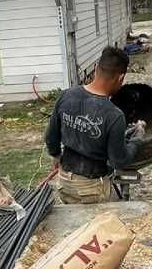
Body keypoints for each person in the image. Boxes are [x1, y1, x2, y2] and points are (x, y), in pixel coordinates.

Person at [44, 46, 146, 204]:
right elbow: (119, 160)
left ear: (96, 67)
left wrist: (56, 155)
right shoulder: (114, 115)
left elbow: (51, 137)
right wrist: (137, 139)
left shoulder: (67, 95)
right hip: (91, 187)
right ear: (120, 78)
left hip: (64, 181)